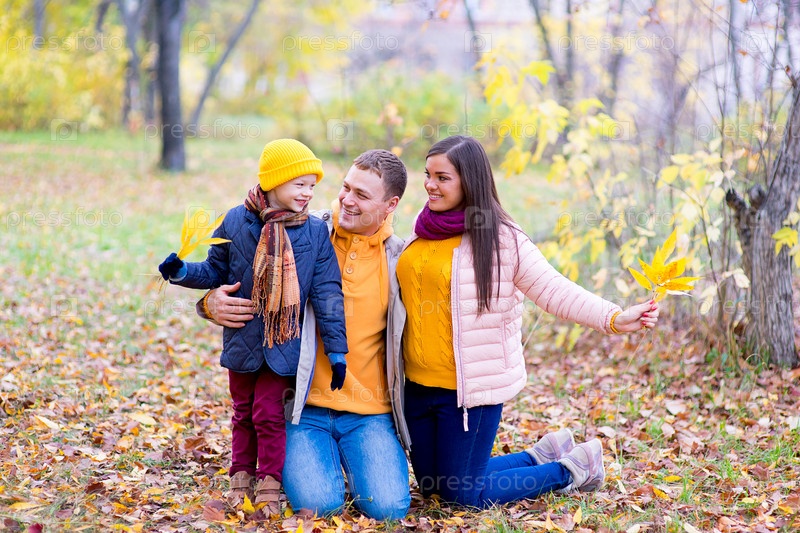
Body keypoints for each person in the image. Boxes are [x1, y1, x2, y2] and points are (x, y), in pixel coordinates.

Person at [394, 135, 660, 508]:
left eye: (442, 178)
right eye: (428, 174)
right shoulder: (423, 227)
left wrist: (614, 317)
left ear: (469, 181)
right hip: (418, 386)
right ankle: (539, 455)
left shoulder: (502, 239)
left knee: (461, 496)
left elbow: (554, 289)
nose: (430, 185)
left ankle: (572, 468)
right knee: (432, 486)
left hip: (470, 392)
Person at [197, 149, 411, 520]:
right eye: (346, 187)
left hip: (368, 411)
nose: (347, 199)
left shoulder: (400, 259)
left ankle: (354, 458)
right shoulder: (300, 230)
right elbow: (235, 270)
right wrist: (208, 304)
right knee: (320, 506)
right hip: (301, 407)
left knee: (388, 508)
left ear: (390, 205)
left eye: (361, 195)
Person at [158, 139, 349, 516]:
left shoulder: (314, 232)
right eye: (299, 184)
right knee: (243, 412)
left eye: (312, 186)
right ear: (274, 182)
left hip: (284, 344)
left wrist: (337, 350)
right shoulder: (235, 221)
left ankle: (269, 484)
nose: (308, 193)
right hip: (242, 340)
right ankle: (240, 478)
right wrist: (181, 272)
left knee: (267, 413)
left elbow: (328, 294)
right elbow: (215, 270)